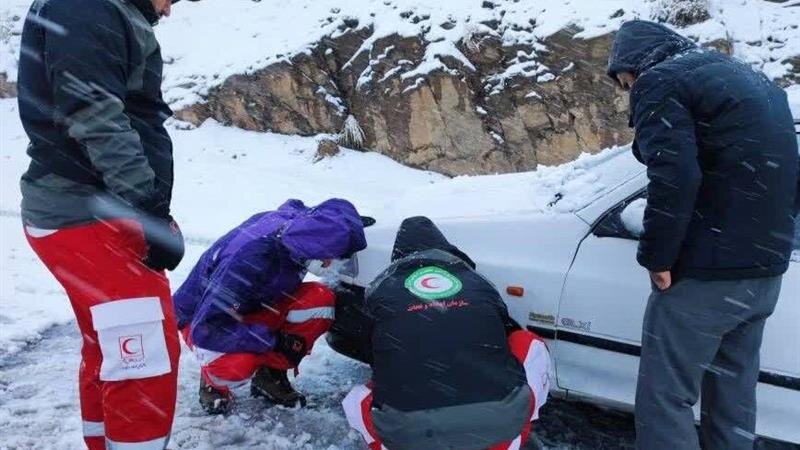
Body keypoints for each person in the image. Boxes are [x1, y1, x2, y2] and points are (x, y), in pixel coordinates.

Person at [607, 20, 799, 450]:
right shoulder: (750, 80)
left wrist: (657, 257)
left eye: (624, 83)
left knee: (665, 399)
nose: (627, 92)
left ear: (635, 65)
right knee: (733, 397)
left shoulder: (660, 80)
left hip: (706, 276)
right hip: (765, 271)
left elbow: (674, 175)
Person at [17, 0, 194, 449]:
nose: (170, 9)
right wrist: (148, 210)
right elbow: (94, 112)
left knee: (111, 347)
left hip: (88, 209)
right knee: (144, 361)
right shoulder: (87, 5)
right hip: (88, 214)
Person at [342, 217, 550, 450]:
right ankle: (521, 420)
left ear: (398, 255)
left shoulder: (382, 287)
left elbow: (369, 349)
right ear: (446, 248)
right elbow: (504, 329)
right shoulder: (478, 282)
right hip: (500, 433)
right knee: (527, 341)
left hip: (406, 438)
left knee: (357, 398)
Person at [173, 199, 367, 414]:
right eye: (329, 258)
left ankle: (269, 376)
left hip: (251, 306)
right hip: (203, 318)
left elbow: (337, 217)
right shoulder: (249, 261)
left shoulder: (299, 234)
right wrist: (271, 341)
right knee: (237, 365)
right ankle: (214, 381)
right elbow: (207, 328)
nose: (331, 264)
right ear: (314, 247)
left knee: (320, 300)